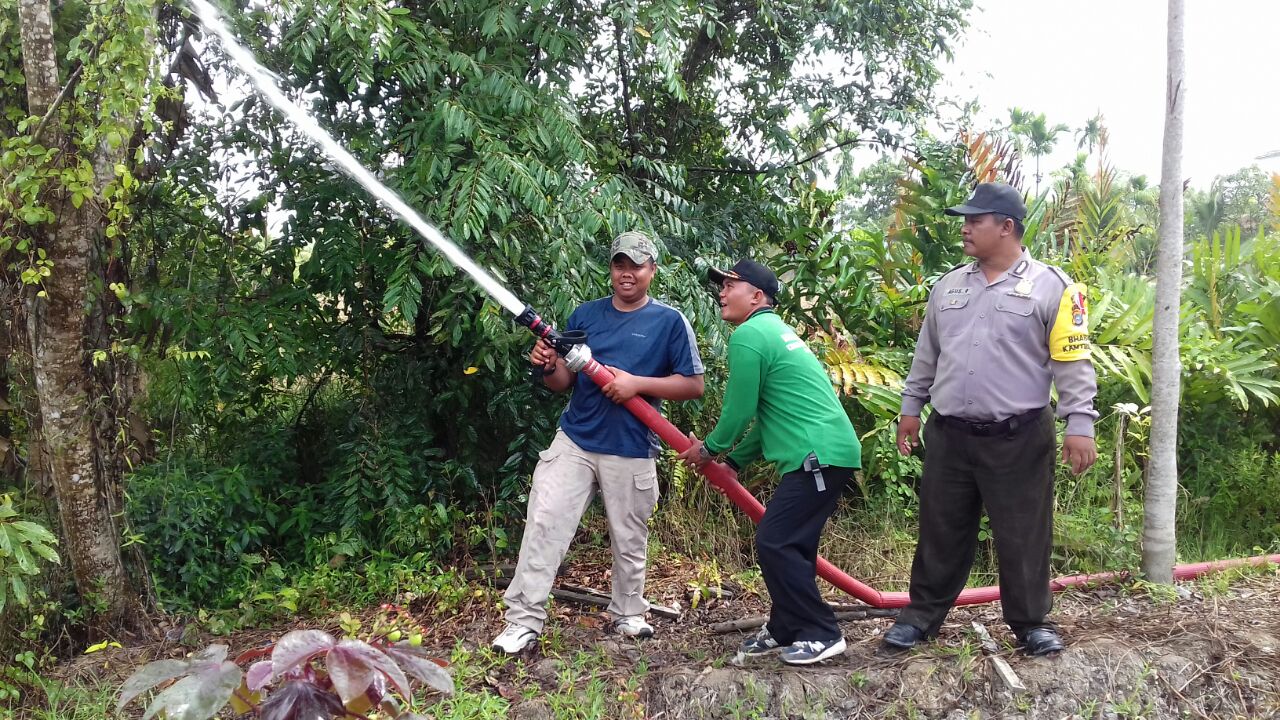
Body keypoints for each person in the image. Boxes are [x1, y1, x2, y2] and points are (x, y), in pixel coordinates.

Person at [882, 182, 1099, 656]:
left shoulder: (1054, 287)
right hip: (950, 435)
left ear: (1006, 227)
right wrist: (910, 408)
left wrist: (1080, 424)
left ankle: (1031, 623)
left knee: (1023, 534)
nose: (965, 228)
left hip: (1018, 436)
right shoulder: (948, 286)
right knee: (940, 530)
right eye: (965, 220)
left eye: (974, 220)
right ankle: (920, 618)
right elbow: (927, 354)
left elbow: (1072, 362)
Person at [492, 231, 705, 654]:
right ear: (611, 269)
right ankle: (523, 622)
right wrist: (547, 364)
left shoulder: (669, 321)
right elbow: (562, 383)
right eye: (619, 264)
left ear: (652, 270)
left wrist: (636, 385)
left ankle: (628, 612)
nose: (627, 273)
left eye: (636, 266)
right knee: (544, 523)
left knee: (629, 538)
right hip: (576, 440)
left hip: (632, 445)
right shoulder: (586, 314)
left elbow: (693, 384)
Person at [677, 259, 861, 666]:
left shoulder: (750, 335)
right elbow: (768, 418)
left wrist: (709, 449)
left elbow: (739, 411)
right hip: (827, 452)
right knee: (794, 545)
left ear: (756, 296)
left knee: (775, 540)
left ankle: (822, 631)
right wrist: (735, 462)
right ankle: (785, 627)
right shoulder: (776, 332)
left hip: (817, 455)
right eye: (721, 285)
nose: (721, 292)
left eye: (730, 285)